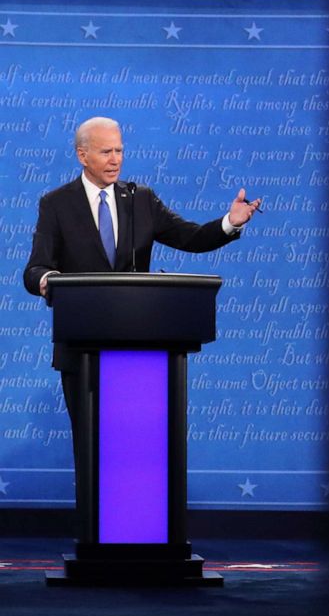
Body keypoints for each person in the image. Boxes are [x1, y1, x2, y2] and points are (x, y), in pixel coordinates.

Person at [23, 115, 261, 525]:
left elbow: (190, 237)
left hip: (140, 354)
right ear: (82, 155)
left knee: (136, 452)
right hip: (81, 353)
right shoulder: (56, 204)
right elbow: (34, 270)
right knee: (92, 449)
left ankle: (138, 533)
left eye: (119, 150)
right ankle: (93, 538)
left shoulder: (141, 200)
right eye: (105, 151)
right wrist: (49, 281)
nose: (115, 159)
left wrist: (229, 224)